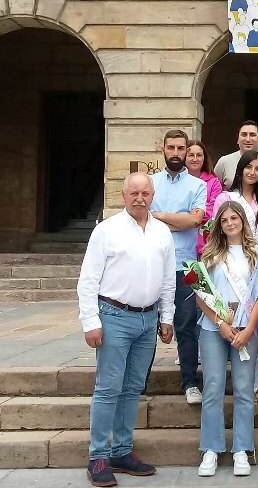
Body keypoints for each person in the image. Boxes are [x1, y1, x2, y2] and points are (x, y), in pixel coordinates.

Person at [77, 172, 175, 488]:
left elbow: (167, 280)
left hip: (148, 320)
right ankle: (99, 457)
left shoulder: (161, 232)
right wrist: (90, 321)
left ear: (152, 194)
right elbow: (88, 280)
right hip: (113, 316)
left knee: (133, 387)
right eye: (133, 192)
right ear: (124, 195)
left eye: (145, 192)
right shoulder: (106, 231)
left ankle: (121, 450)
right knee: (109, 388)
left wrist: (167, 317)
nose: (139, 198)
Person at [196, 202, 258, 478]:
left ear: (242, 220)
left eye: (234, 217)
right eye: (224, 219)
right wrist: (221, 324)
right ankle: (212, 448)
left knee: (243, 388)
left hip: (247, 327)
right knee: (213, 387)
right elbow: (201, 294)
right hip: (215, 328)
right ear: (219, 224)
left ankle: (241, 448)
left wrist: (250, 329)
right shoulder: (210, 253)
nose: (229, 223)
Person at [150, 130, 206, 405]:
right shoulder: (150, 183)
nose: (175, 152)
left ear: (187, 151)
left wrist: (158, 216)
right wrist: (179, 220)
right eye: (170, 147)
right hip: (151, 263)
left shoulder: (197, 185)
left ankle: (189, 383)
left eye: (180, 148)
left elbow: (194, 221)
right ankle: (139, 382)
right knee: (148, 324)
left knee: (185, 326)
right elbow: (140, 220)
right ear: (163, 149)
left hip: (185, 266)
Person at [213, 150, 258, 254]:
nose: (252, 172)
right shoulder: (225, 198)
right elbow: (216, 232)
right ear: (241, 168)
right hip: (233, 255)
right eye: (248, 167)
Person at [187, 140, 223, 257]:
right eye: (191, 155)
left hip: (206, 242)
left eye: (199, 155)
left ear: (204, 157)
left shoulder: (214, 182)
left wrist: (184, 216)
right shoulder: (177, 180)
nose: (195, 159)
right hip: (182, 239)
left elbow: (213, 210)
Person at [214, 120, 258, 189]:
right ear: (237, 139)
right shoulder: (224, 162)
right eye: (244, 135)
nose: (248, 139)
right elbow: (213, 190)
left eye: (252, 135)